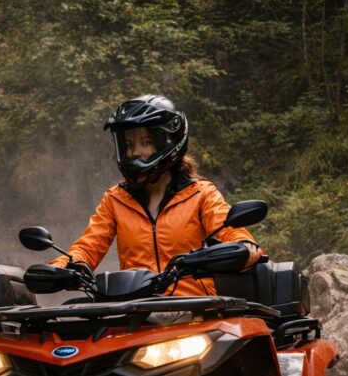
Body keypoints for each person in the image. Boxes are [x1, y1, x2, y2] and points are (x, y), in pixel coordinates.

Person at [49, 95, 262, 296]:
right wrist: (61, 268)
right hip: (136, 312)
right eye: (129, 144)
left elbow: (230, 230)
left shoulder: (201, 194)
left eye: (145, 142)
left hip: (195, 313)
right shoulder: (115, 199)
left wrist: (244, 246)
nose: (134, 153)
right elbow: (88, 246)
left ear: (168, 141)